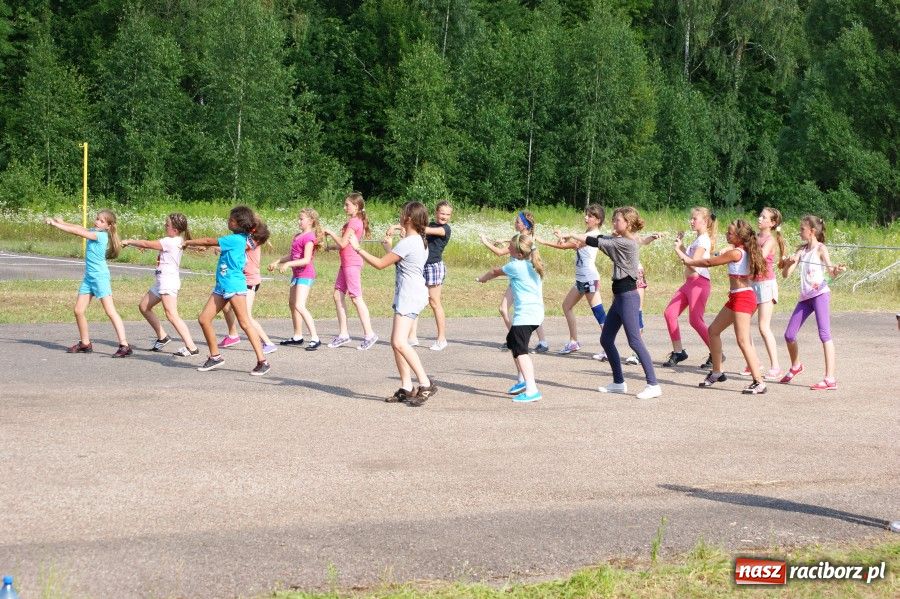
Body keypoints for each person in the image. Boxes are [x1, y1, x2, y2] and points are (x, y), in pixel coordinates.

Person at [566, 207, 662, 400]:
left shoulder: (625, 244)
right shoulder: (623, 239)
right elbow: (605, 238)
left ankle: (653, 384)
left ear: (627, 223)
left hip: (628, 296)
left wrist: (572, 234)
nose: (614, 223)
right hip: (619, 297)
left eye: (617, 220)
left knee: (634, 341)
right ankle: (619, 382)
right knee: (606, 339)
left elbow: (595, 241)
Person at [348, 202, 437, 406]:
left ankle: (425, 383)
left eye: (401, 214)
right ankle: (407, 387)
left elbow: (380, 264)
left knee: (399, 342)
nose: (399, 216)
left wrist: (358, 248)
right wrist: (388, 246)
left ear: (408, 218)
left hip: (410, 296)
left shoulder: (409, 242)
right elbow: (398, 259)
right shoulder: (416, 240)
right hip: (409, 294)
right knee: (396, 342)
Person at [676, 219, 768, 394]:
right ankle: (717, 372)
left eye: (730, 232)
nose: (726, 234)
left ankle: (759, 381)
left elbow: (710, 263)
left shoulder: (736, 253)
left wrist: (689, 260)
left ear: (739, 237)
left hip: (743, 298)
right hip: (735, 297)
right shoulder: (739, 250)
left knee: (742, 340)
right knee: (713, 331)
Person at [183, 206, 270, 376]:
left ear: (239, 223)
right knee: (204, 319)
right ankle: (215, 356)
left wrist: (188, 242)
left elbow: (209, 240)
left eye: (230, 219)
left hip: (234, 286)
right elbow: (215, 247)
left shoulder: (236, 239)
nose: (228, 221)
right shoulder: (239, 240)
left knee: (245, 323)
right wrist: (200, 247)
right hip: (222, 286)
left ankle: (263, 361)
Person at [46, 210, 132, 357]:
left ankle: (124, 345)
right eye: (97, 219)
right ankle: (85, 343)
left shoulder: (100, 235)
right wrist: (62, 222)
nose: (97, 222)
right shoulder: (94, 231)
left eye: (101, 221)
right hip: (89, 278)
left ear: (108, 227)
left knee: (110, 312)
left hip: (100, 278)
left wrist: (55, 225)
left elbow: (78, 232)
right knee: (78, 310)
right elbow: (78, 228)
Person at [476, 233, 545, 403]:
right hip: (535, 314)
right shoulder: (532, 264)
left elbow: (494, 271)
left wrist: (482, 279)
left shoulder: (517, 266)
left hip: (526, 316)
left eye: (511, 249)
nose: (508, 250)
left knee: (521, 352)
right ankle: (522, 381)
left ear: (519, 254)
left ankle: (532, 389)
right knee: (513, 342)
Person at [779, 215, 846, 390]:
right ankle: (796, 366)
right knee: (789, 335)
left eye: (802, 229)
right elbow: (786, 275)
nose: (799, 231)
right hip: (805, 298)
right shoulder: (801, 251)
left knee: (825, 334)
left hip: (820, 295)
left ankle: (830, 379)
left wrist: (837, 270)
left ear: (812, 231)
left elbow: (831, 272)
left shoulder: (821, 249)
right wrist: (788, 264)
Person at [122, 213, 200, 357]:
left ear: (175, 230)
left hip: (168, 281)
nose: (165, 226)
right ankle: (163, 336)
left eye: (167, 225)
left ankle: (191, 347)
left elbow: (147, 243)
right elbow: (154, 246)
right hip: (161, 281)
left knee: (172, 314)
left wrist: (129, 241)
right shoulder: (176, 240)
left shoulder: (170, 241)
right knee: (144, 306)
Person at [537, 204, 606, 357]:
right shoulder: (587, 232)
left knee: (599, 313)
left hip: (589, 278)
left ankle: (609, 346)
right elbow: (571, 244)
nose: (586, 217)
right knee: (566, 306)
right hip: (581, 278)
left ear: (598, 220)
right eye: (586, 214)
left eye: (590, 216)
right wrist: (560, 236)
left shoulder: (594, 235)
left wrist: (544, 242)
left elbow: (571, 245)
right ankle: (573, 341)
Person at [480, 210, 549, 353]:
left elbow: (499, 253)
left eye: (517, 221)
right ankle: (529, 340)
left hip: (522, 280)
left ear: (524, 225)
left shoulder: (523, 241)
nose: (515, 223)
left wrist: (485, 241)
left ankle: (520, 339)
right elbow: (516, 238)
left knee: (511, 309)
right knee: (525, 310)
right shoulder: (525, 237)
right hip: (519, 279)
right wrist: (503, 240)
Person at [662, 207, 717, 369]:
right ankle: (678, 352)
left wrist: (678, 250)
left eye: (694, 219)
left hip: (699, 284)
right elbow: (691, 257)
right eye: (691, 218)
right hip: (689, 284)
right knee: (670, 313)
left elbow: (693, 264)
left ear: (705, 221)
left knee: (695, 320)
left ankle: (716, 352)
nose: (691, 221)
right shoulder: (698, 239)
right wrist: (682, 246)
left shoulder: (704, 240)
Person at [323, 192, 378, 350]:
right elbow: (344, 244)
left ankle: (370, 334)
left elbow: (342, 243)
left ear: (357, 206)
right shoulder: (352, 222)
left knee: (356, 298)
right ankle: (343, 334)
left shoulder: (355, 222)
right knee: (337, 295)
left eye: (347, 204)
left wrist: (331, 233)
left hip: (352, 264)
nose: (344, 207)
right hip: (345, 263)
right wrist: (329, 247)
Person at [220, 218, 277, 354]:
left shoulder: (252, 241)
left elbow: (237, 246)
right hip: (243, 280)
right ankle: (233, 335)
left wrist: (216, 246)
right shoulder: (248, 238)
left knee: (247, 317)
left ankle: (268, 343)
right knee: (227, 307)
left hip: (249, 281)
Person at [268, 208, 323, 350]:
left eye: (302, 219)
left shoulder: (309, 237)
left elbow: (305, 260)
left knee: (300, 305)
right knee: (292, 304)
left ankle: (315, 338)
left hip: (306, 274)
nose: (299, 221)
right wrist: (278, 261)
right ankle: (298, 336)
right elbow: (292, 256)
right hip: (296, 275)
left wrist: (288, 264)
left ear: (311, 221)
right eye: (299, 218)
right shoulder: (297, 236)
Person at [740, 207, 785, 380]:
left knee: (763, 327)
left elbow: (759, 257)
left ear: (772, 223)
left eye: (764, 217)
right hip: (752, 283)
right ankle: (754, 362)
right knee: (743, 323)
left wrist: (746, 247)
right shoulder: (755, 237)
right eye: (759, 215)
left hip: (765, 285)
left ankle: (776, 367)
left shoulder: (770, 240)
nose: (759, 219)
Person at [408, 200, 453, 351]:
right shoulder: (430, 225)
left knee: (434, 302)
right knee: (416, 301)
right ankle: (412, 337)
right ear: (436, 212)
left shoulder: (445, 229)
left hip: (434, 267)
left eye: (447, 214)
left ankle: (441, 339)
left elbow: (424, 230)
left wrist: (408, 226)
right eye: (442, 213)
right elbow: (418, 233)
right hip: (422, 265)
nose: (444, 216)